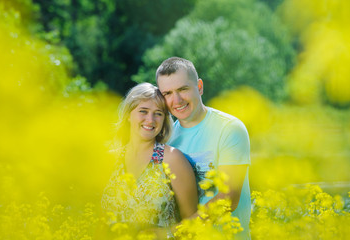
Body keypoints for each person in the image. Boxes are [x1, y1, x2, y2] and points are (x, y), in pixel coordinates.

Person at [156, 57, 251, 239]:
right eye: (167, 93)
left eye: (183, 89)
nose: (176, 100)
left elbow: (228, 198)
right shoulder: (167, 137)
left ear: (199, 87)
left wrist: (172, 233)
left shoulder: (230, 128)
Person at [101, 83, 197, 238]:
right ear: (128, 114)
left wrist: (166, 234)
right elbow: (101, 222)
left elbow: (193, 221)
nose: (150, 120)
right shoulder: (109, 159)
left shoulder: (172, 159)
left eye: (158, 113)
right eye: (143, 111)